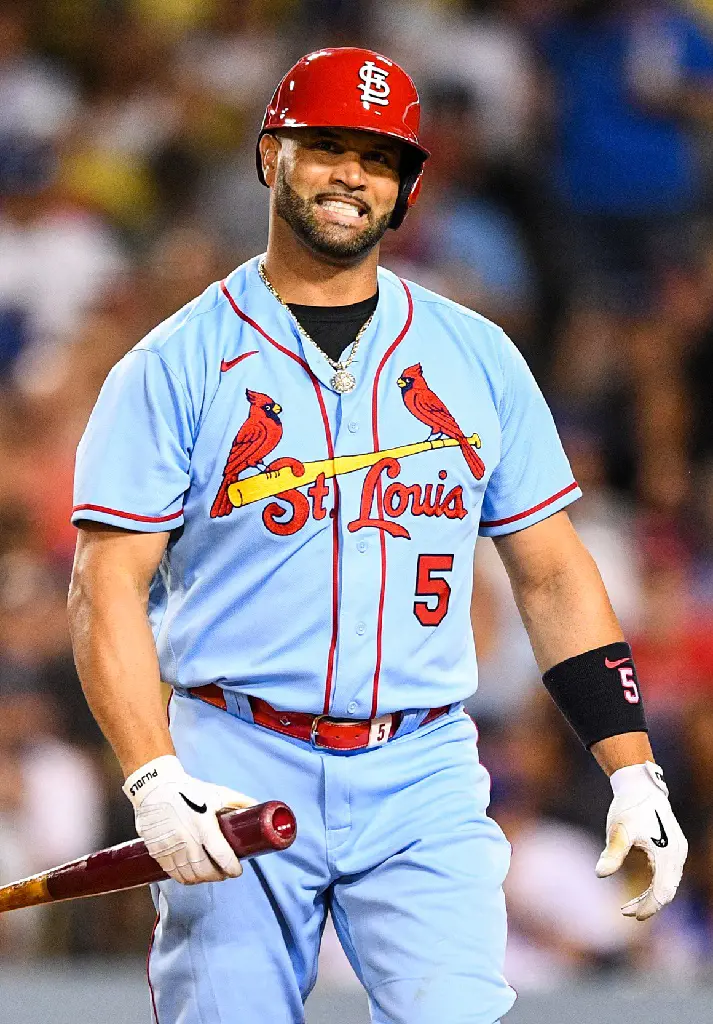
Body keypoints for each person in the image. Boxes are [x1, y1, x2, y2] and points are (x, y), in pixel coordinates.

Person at [67, 48, 688, 1024]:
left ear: (405, 187)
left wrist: (631, 767)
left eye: (378, 156)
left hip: (421, 764)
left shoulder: (475, 355)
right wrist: (154, 776)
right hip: (238, 748)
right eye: (326, 147)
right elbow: (105, 584)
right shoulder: (173, 364)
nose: (351, 174)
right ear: (270, 152)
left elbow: (552, 573)